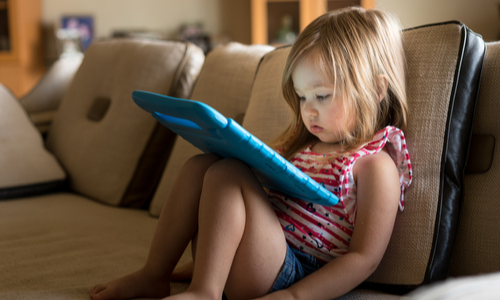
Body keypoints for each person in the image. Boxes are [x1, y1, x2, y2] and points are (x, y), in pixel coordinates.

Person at [90, 6, 412, 300]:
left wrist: (295, 296)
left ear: (377, 88)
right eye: (301, 97)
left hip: (290, 274)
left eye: (322, 96)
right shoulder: (305, 146)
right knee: (202, 165)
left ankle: (206, 292)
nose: (308, 111)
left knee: (228, 174)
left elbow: (364, 259)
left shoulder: (374, 165)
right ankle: (154, 274)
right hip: (251, 255)